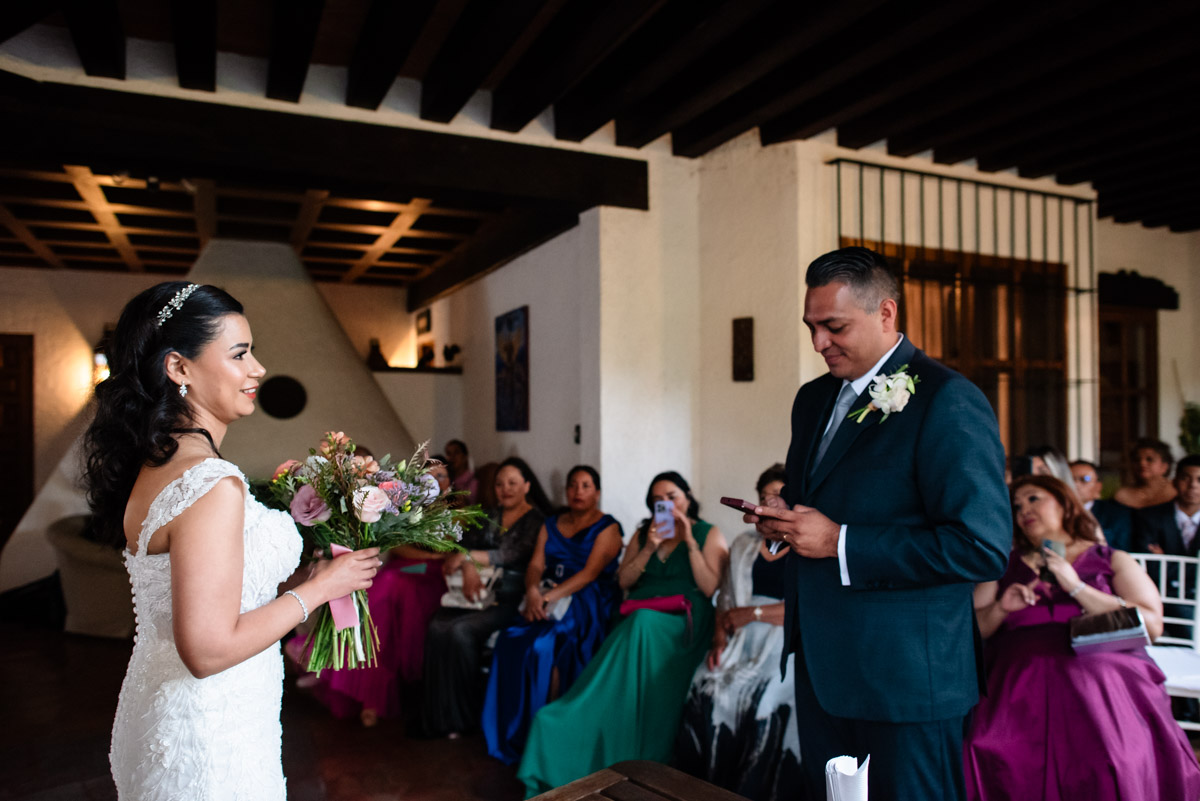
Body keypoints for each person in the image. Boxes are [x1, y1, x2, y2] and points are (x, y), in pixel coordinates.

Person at [85, 282, 380, 799]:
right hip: (209, 737)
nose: (258, 369)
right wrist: (319, 590)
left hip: (173, 713)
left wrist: (302, 578)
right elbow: (206, 650)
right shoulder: (210, 483)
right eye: (240, 354)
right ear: (179, 368)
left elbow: (212, 593)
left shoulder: (160, 467)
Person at [747, 247, 1011, 801]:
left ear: (886, 313)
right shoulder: (812, 400)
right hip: (821, 669)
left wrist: (840, 543)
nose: (818, 342)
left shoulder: (948, 400)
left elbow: (980, 546)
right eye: (811, 326)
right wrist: (782, 522)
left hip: (906, 680)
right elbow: (819, 499)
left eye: (834, 326)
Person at [965, 474, 1200, 800]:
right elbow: (975, 629)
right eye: (1016, 506)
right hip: (1019, 670)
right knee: (986, 745)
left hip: (1099, 666)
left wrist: (1077, 587)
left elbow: (1152, 624)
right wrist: (1001, 608)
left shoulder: (1111, 558)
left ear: (1065, 503)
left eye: (1033, 498)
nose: (1023, 510)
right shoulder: (1003, 565)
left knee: (1111, 751)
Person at [518, 472, 729, 796]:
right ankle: (573, 727)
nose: (666, 504)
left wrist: (688, 540)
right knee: (637, 627)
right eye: (657, 500)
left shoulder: (707, 533)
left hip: (682, 624)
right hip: (638, 621)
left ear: (687, 497)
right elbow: (624, 581)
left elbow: (711, 588)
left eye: (672, 496)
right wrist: (649, 547)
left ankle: (637, 754)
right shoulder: (644, 533)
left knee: (642, 623)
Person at [675, 464, 801, 801]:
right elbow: (726, 599)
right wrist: (718, 640)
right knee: (707, 684)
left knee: (762, 697)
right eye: (763, 498)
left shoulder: (803, 547)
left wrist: (753, 614)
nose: (768, 505)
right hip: (740, 638)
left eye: (777, 497)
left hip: (783, 639)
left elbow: (805, 608)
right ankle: (704, 783)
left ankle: (753, 789)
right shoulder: (745, 543)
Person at [481, 465, 623, 764]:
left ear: (597, 492)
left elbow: (589, 573)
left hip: (586, 599)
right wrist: (533, 591)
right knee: (509, 639)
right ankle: (512, 732)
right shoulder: (551, 523)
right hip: (546, 593)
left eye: (585, 486)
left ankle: (545, 731)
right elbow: (536, 565)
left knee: (543, 644)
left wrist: (546, 597)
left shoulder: (608, 527)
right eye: (573, 485)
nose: (578, 491)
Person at [422, 456, 551, 737]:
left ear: (527, 486)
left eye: (513, 483)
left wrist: (467, 558)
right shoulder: (489, 515)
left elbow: (510, 554)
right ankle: (440, 717)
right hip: (476, 592)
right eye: (500, 484)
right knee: (437, 626)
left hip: (511, 598)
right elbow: (463, 547)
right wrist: (468, 563)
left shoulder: (537, 521)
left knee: (460, 631)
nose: (506, 489)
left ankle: (464, 717)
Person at [1133, 455, 1200, 556]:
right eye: (1185, 478)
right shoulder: (1149, 517)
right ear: (1174, 481)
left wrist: (1165, 559)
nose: (1193, 485)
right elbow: (1148, 560)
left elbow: (1161, 561)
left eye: (1199, 480)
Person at [1071, 459, 1134, 551]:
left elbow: (1122, 549)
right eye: (1070, 479)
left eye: (1084, 479)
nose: (1075, 484)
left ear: (1098, 486)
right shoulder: (1054, 511)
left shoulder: (1116, 514)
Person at [1114, 438, 1178, 509]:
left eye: (1149, 459)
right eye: (1137, 460)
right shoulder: (1122, 496)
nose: (1142, 463)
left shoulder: (1177, 491)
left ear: (1164, 466)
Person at [445, 439, 480, 505]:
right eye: (449, 454)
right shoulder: (447, 478)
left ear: (465, 456)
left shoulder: (473, 481)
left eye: (456, 453)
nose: (452, 457)